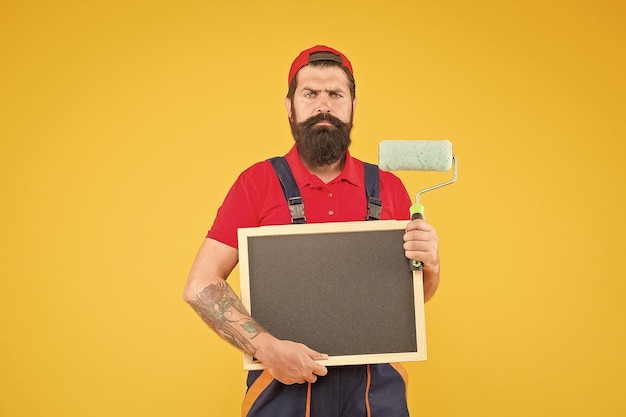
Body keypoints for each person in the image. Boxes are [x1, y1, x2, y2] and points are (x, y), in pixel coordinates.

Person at [183, 45, 441, 417]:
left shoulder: (390, 188)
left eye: (336, 94)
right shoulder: (257, 183)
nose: (324, 105)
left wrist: (430, 264)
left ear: (353, 104)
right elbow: (199, 286)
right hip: (280, 383)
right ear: (290, 106)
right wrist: (267, 349)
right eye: (310, 94)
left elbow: (416, 297)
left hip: (375, 388)